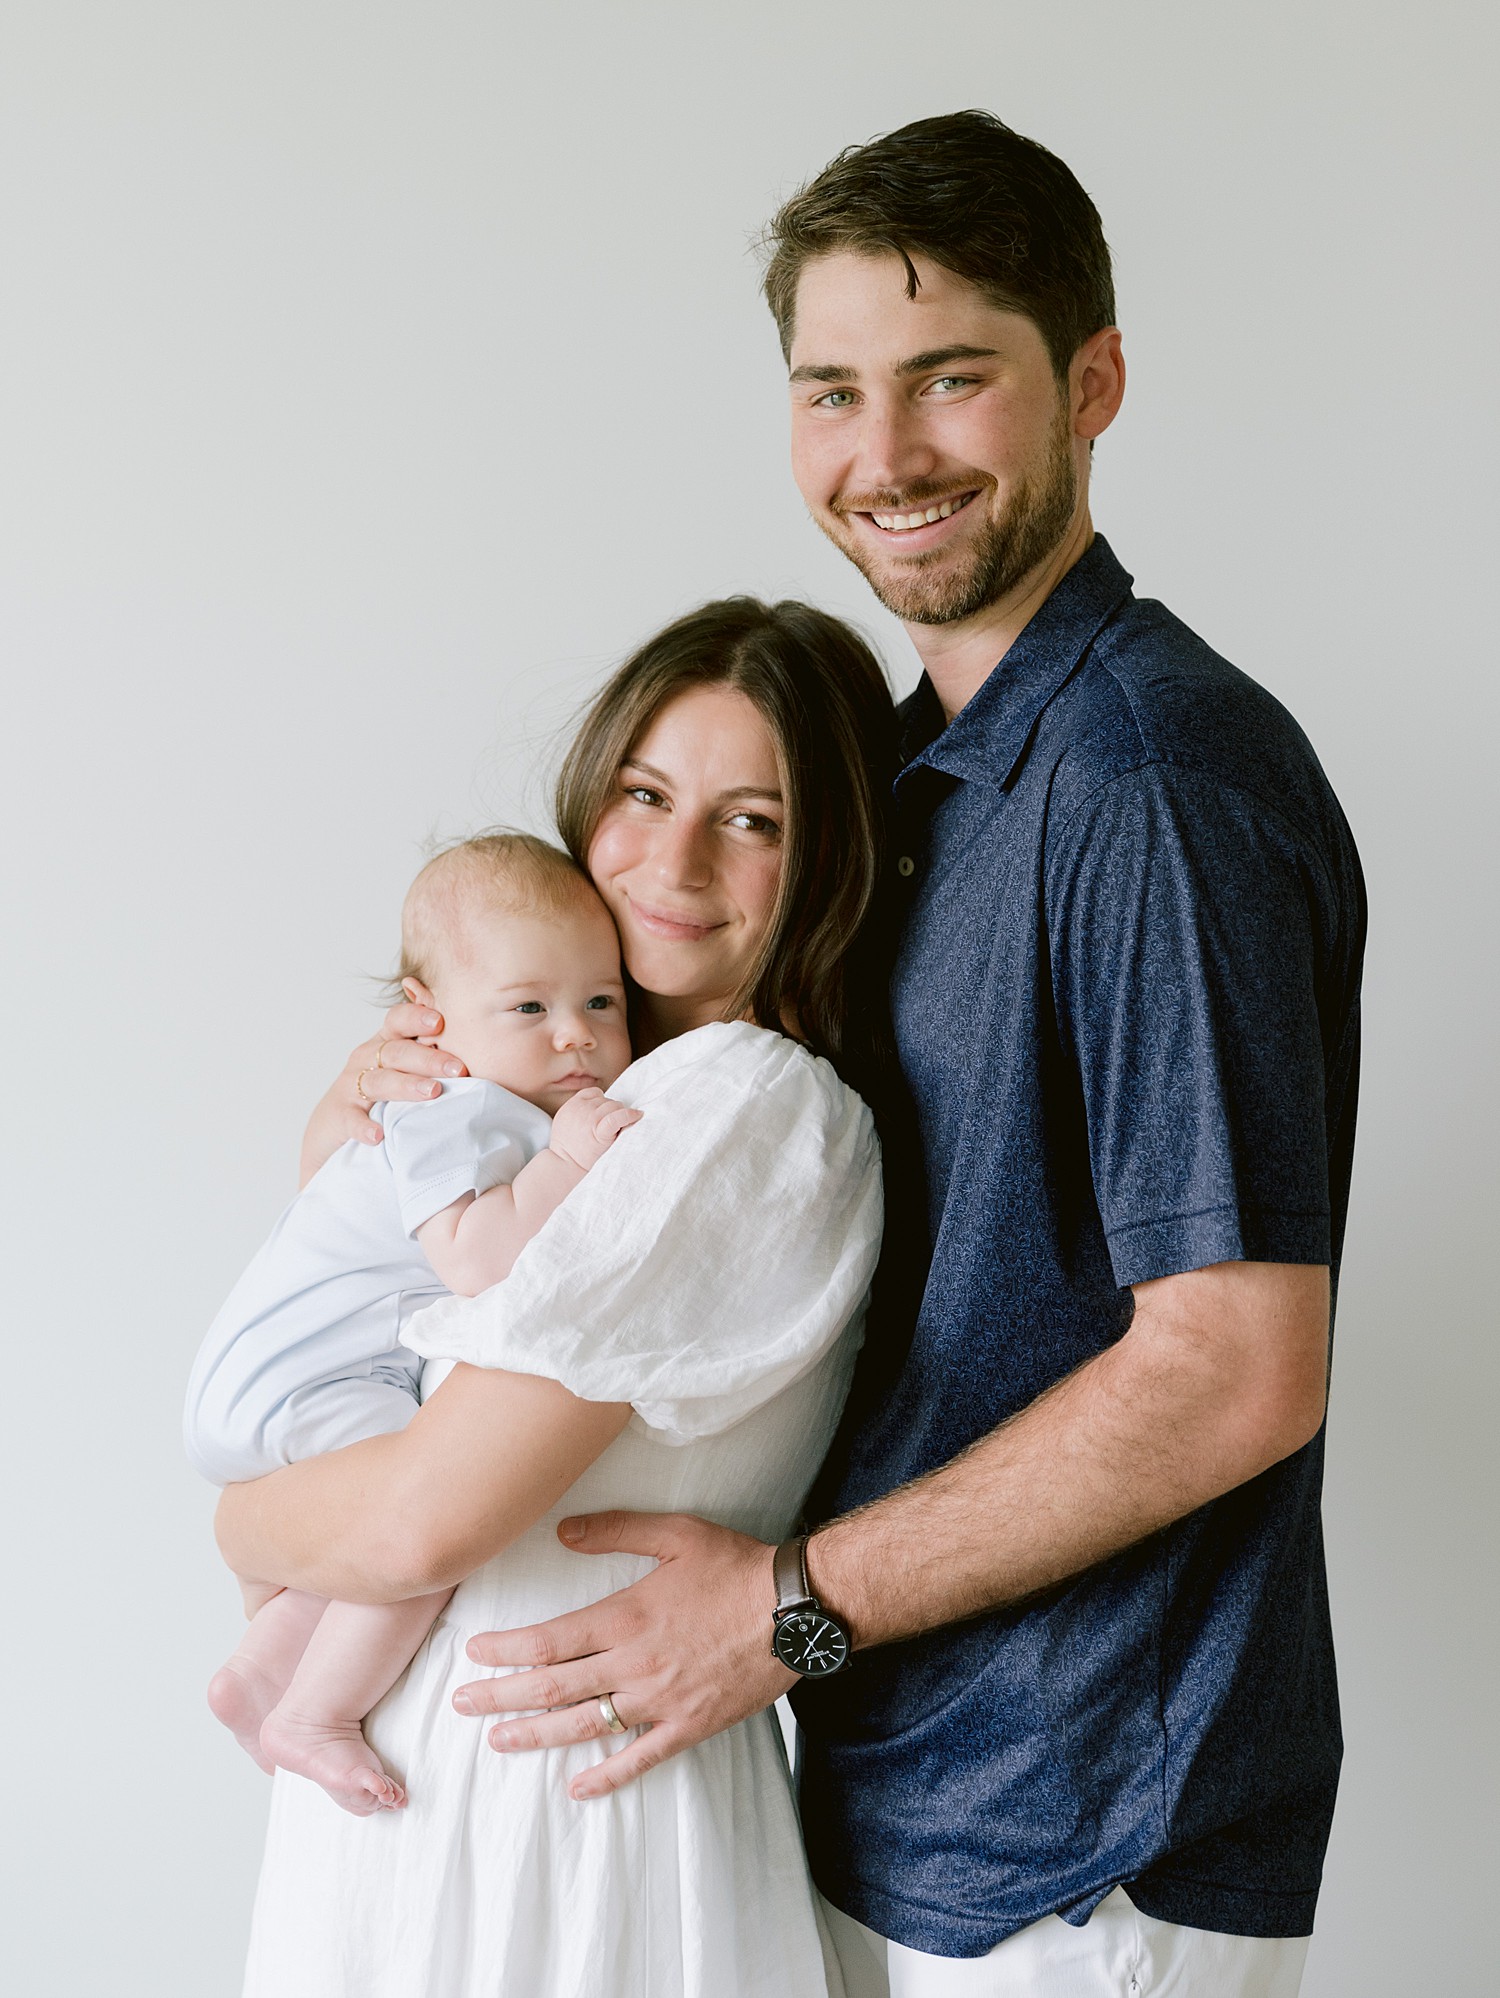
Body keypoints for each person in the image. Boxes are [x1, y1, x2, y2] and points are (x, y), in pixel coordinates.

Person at [420, 112, 1365, 1997]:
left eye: (952, 379)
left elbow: (1238, 1367)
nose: (884, 455)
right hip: (904, 1802)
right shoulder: (929, 788)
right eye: (831, 390)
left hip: (1086, 1843)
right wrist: (435, 1086)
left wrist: (784, 1610)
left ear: (1091, 381)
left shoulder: (1146, 775)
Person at [211, 595, 899, 1997]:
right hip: (441, 1778)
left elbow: (422, 1513)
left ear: (826, 859)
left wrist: (239, 1515)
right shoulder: (574, 1089)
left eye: (754, 819)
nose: (676, 856)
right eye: (645, 793)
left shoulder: (738, 1105)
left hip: (553, 1812)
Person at [185, 833, 641, 1815]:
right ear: (428, 1017)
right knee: (424, 1522)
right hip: (302, 1380)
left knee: (369, 1533)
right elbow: (478, 1260)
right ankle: (316, 1715)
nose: (575, 1035)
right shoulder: (452, 1106)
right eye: (530, 1008)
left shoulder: (468, 1107)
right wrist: (565, 1164)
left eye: (600, 1002)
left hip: (282, 1374)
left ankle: (261, 1671)